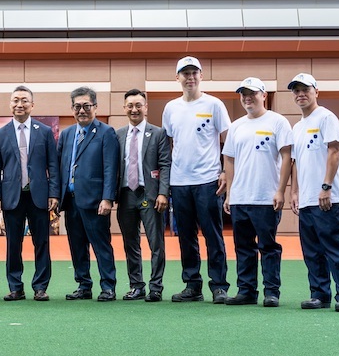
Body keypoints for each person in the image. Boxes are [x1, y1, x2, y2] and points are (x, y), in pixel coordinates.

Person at [162, 56, 230, 303]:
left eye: (194, 73)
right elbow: (169, 143)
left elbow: (228, 140)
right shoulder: (171, 108)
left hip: (208, 180)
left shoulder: (214, 104)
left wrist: (225, 171)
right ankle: (192, 285)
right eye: (185, 73)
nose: (190, 77)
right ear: (177, 77)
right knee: (185, 236)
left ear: (201, 75)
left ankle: (219, 286)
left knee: (213, 234)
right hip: (180, 183)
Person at [221, 77, 293, 307]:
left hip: (266, 197)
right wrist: (230, 194)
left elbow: (286, 157)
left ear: (264, 95)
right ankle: (246, 290)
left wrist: (281, 190)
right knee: (243, 247)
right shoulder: (236, 126)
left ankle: (271, 292)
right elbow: (229, 160)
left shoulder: (278, 122)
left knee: (268, 247)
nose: (247, 98)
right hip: (241, 197)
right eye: (243, 94)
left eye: (252, 93)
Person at [288, 73, 339, 312]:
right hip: (306, 200)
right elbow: (295, 162)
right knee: (312, 251)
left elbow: (334, 151)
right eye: (296, 90)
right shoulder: (297, 127)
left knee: (337, 248)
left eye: (305, 89)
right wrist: (294, 192)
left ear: (316, 91)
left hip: (331, 198)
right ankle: (319, 294)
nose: (300, 94)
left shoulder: (327, 117)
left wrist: (326, 186)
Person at [0, 86, 58, 302]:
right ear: (10, 104)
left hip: (38, 196)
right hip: (12, 197)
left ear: (32, 105)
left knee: (42, 243)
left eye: (24, 100)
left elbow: (53, 165)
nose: (20, 104)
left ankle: (40, 287)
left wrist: (54, 193)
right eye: (16, 100)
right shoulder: (1, 134)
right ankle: (15, 287)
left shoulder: (44, 132)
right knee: (13, 244)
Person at [58, 86, 120, 302]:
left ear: (95, 107)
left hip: (96, 202)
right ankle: (84, 285)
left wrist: (108, 198)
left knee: (101, 245)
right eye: (77, 106)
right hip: (71, 200)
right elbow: (60, 167)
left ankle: (108, 287)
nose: (81, 110)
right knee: (76, 246)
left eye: (86, 106)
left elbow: (111, 168)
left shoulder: (106, 132)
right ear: (72, 108)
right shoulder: (66, 134)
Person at [115, 88, 171, 302]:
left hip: (150, 194)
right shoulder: (118, 134)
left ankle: (156, 287)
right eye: (130, 105)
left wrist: (163, 193)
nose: (134, 109)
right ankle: (136, 286)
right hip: (126, 195)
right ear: (124, 108)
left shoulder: (158, 133)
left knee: (156, 243)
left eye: (138, 105)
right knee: (131, 244)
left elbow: (165, 164)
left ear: (146, 108)